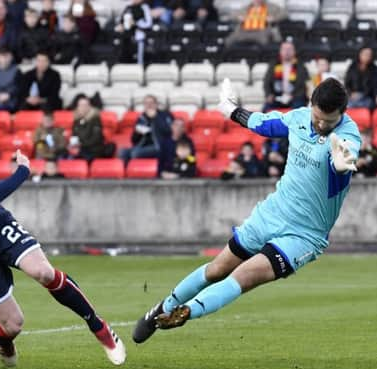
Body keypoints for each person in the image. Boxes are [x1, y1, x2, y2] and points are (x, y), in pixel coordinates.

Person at [132, 77, 361, 343]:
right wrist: (231, 110)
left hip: (304, 235)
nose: (321, 125)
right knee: (218, 269)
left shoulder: (347, 136)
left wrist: (343, 162)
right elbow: (262, 124)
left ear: (342, 115)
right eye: (317, 117)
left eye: (328, 122)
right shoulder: (298, 118)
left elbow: (343, 162)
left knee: (245, 276)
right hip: (271, 214)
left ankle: (187, 312)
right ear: (311, 105)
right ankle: (162, 308)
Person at [0, 79, 125, 366]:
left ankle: (99, 326)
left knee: (43, 272)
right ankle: (1, 337)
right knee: (14, 324)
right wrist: (22, 171)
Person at [120, 95, 173, 166]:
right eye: (146, 103)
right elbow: (133, 140)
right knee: (122, 152)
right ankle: (126, 175)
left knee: (135, 153)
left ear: (156, 104)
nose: (149, 105)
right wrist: (137, 133)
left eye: (151, 103)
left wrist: (155, 118)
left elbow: (169, 132)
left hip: (159, 146)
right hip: (143, 146)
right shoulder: (141, 118)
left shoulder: (165, 115)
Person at [263, 41, 309, 111]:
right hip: (277, 97)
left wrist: (293, 96)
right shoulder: (274, 64)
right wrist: (269, 94)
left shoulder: (300, 66)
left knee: (299, 109)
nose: (287, 52)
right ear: (280, 51)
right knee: (266, 109)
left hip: (294, 98)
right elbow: (267, 82)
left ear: (294, 51)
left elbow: (303, 87)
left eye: (289, 49)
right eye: (284, 49)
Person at [106, 0, 152, 64]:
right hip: (127, 36)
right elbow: (122, 20)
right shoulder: (128, 7)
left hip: (139, 35)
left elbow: (149, 24)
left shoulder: (144, 7)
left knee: (138, 55)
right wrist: (121, 25)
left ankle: (139, 66)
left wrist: (135, 23)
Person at [71, 95, 114, 161]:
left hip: (94, 150)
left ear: (89, 106)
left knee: (81, 157)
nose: (83, 108)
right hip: (82, 149)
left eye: (85, 105)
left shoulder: (95, 119)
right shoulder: (77, 120)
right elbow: (74, 136)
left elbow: (96, 139)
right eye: (81, 105)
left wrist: (81, 145)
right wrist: (73, 144)